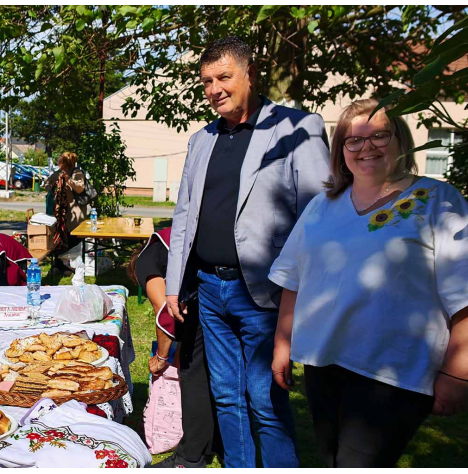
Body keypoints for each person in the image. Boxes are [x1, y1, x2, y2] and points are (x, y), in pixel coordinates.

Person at [269, 98, 468, 468]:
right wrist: (282, 344)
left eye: (379, 136)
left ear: (401, 141)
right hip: (324, 363)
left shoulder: (439, 201)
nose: (366, 147)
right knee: (329, 461)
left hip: (393, 373)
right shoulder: (323, 205)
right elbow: (293, 279)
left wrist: (456, 373)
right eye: (353, 140)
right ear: (341, 150)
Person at [164, 36, 331, 468]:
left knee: (265, 400)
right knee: (226, 396)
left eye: (224, 77)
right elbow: (184, 214)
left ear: (249, 75)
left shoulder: (297, 128)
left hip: (265, 294)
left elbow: (317, 216)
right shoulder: (201, 140)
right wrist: (172, 285)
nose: (214, 88)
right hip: (208, 289)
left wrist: (306, 294)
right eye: (206, 81)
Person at [130, 228, 222, 468]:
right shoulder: (167, 241)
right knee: (214, 371)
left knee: (193, 375)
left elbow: (166, 313)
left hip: (206, 292)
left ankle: (190, 455)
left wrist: (162, 357)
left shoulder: (145, 262)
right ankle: (218, 442)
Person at [45, 152, 88, 274]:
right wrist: (54, 185)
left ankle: (71, 266)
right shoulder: (58, 174)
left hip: (75, 214)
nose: (59, 165)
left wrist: (68, 180)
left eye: (60, 162)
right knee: (59, 239)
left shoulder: (77, 173)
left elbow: (80, 188)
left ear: (66, 163)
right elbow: (47, 184)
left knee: (73, 240)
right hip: (60, 214)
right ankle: (58, 265)